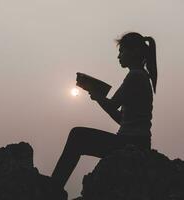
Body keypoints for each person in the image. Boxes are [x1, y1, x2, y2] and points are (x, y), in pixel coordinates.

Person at [51, 32, 158, 190]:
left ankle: (53, 188)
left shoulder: (135, 76)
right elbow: (122, 118)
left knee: (77, 135)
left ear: (134, 51)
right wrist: (99, 97)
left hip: (130, 144)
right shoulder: (141, 76)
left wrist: (97, 95)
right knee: (78, 137)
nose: (119, 56)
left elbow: (113, 105)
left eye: (122, 51)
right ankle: (54, 187)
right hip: (137, 142)